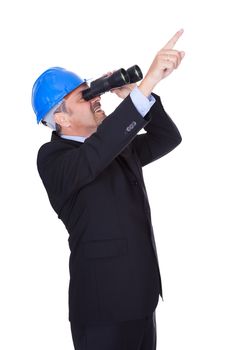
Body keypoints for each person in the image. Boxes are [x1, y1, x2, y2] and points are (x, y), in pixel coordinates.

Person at [32, 29, 185, 350]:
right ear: (60, 117)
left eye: (92, 92)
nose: (95, 98)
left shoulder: (113, 146)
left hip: (142, 300)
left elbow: (167, 138)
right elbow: (96, 154)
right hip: (104, 310)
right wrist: (146, 87)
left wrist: (137, 96)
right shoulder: (54, 158)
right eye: (83, 97)